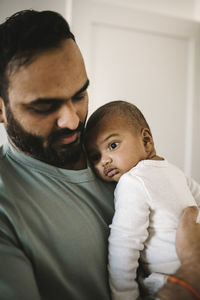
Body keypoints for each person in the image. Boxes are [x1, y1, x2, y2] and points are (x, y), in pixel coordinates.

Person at [0, 9, 199, 300]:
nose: (72, 121)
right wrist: (192, 274)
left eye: (79, 95)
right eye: (44, 106)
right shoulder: (5, 207)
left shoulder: (117, 151)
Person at [84, 100, 200, 300]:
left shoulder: (132, 181)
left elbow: (123, 244)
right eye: (95, 157)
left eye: (112, 145)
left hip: (169, 279)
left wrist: (124, 295)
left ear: (146, 140)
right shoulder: (175, 172)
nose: (104, 161)